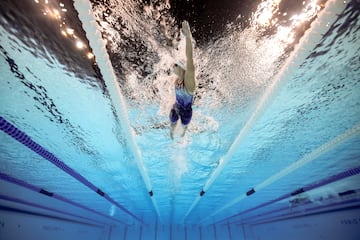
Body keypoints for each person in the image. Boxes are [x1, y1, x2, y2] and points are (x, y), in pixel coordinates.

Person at [169, 21, 195, 139]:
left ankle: (184, 130)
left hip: (186, 110)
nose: (174, 68)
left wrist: (188, 36)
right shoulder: (178, 76)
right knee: (172, 118)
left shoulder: (190, 84)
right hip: (178, 105)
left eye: (176, 67)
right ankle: (172, 130)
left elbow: (190, 58)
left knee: (184, 123)